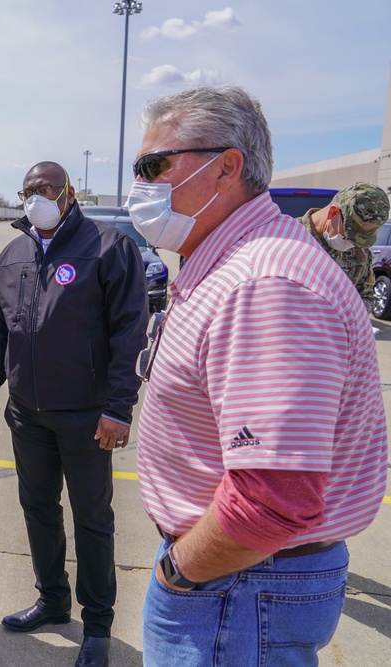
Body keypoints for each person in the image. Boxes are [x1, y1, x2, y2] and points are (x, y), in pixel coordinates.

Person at [129, 86, 388, 666]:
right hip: (239, 581)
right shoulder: (239, 260)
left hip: (234, 587)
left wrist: (180, 573)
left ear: (227, 168)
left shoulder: (263, 285)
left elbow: (272, 498)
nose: (140, 186)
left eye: (153, 166)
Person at [0, 162, 148, 667]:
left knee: (93, 519)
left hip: (88, 415)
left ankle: (97, 625)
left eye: (47, 188)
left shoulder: (107, 248)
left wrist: (119, 407)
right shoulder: (11, 255)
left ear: (69, 193)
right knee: (38, 509)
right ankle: (52, 600)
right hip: (28, 414)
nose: (37, 198)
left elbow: (129, 332)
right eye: (29, 191)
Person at [298, 182, 389, 309]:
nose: (352, 244)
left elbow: (366, 297)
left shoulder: (361, 253)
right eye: (349, 235)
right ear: (333, 213)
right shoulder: (288, 237)